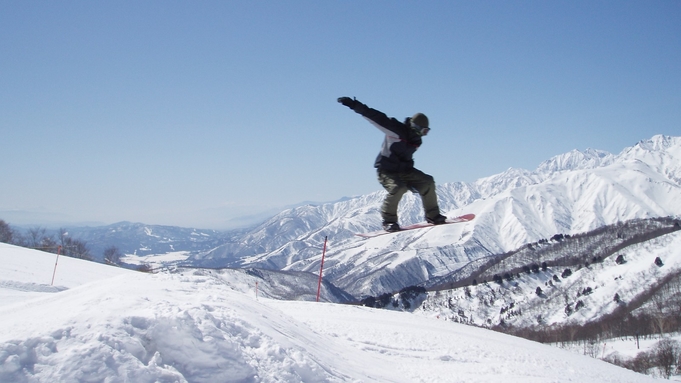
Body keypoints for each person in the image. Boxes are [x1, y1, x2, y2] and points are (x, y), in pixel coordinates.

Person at [337, 96, 447, 232]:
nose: (424, 134)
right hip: (386, 170)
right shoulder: (396, 129)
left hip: (405, 170)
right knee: (398, 188)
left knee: (428, 182)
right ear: (415, 127)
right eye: (423, 131)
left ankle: (433, 216)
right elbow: (375, 116)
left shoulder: (417, 140)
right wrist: (354, 104)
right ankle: (389, 221)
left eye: (427, 131)